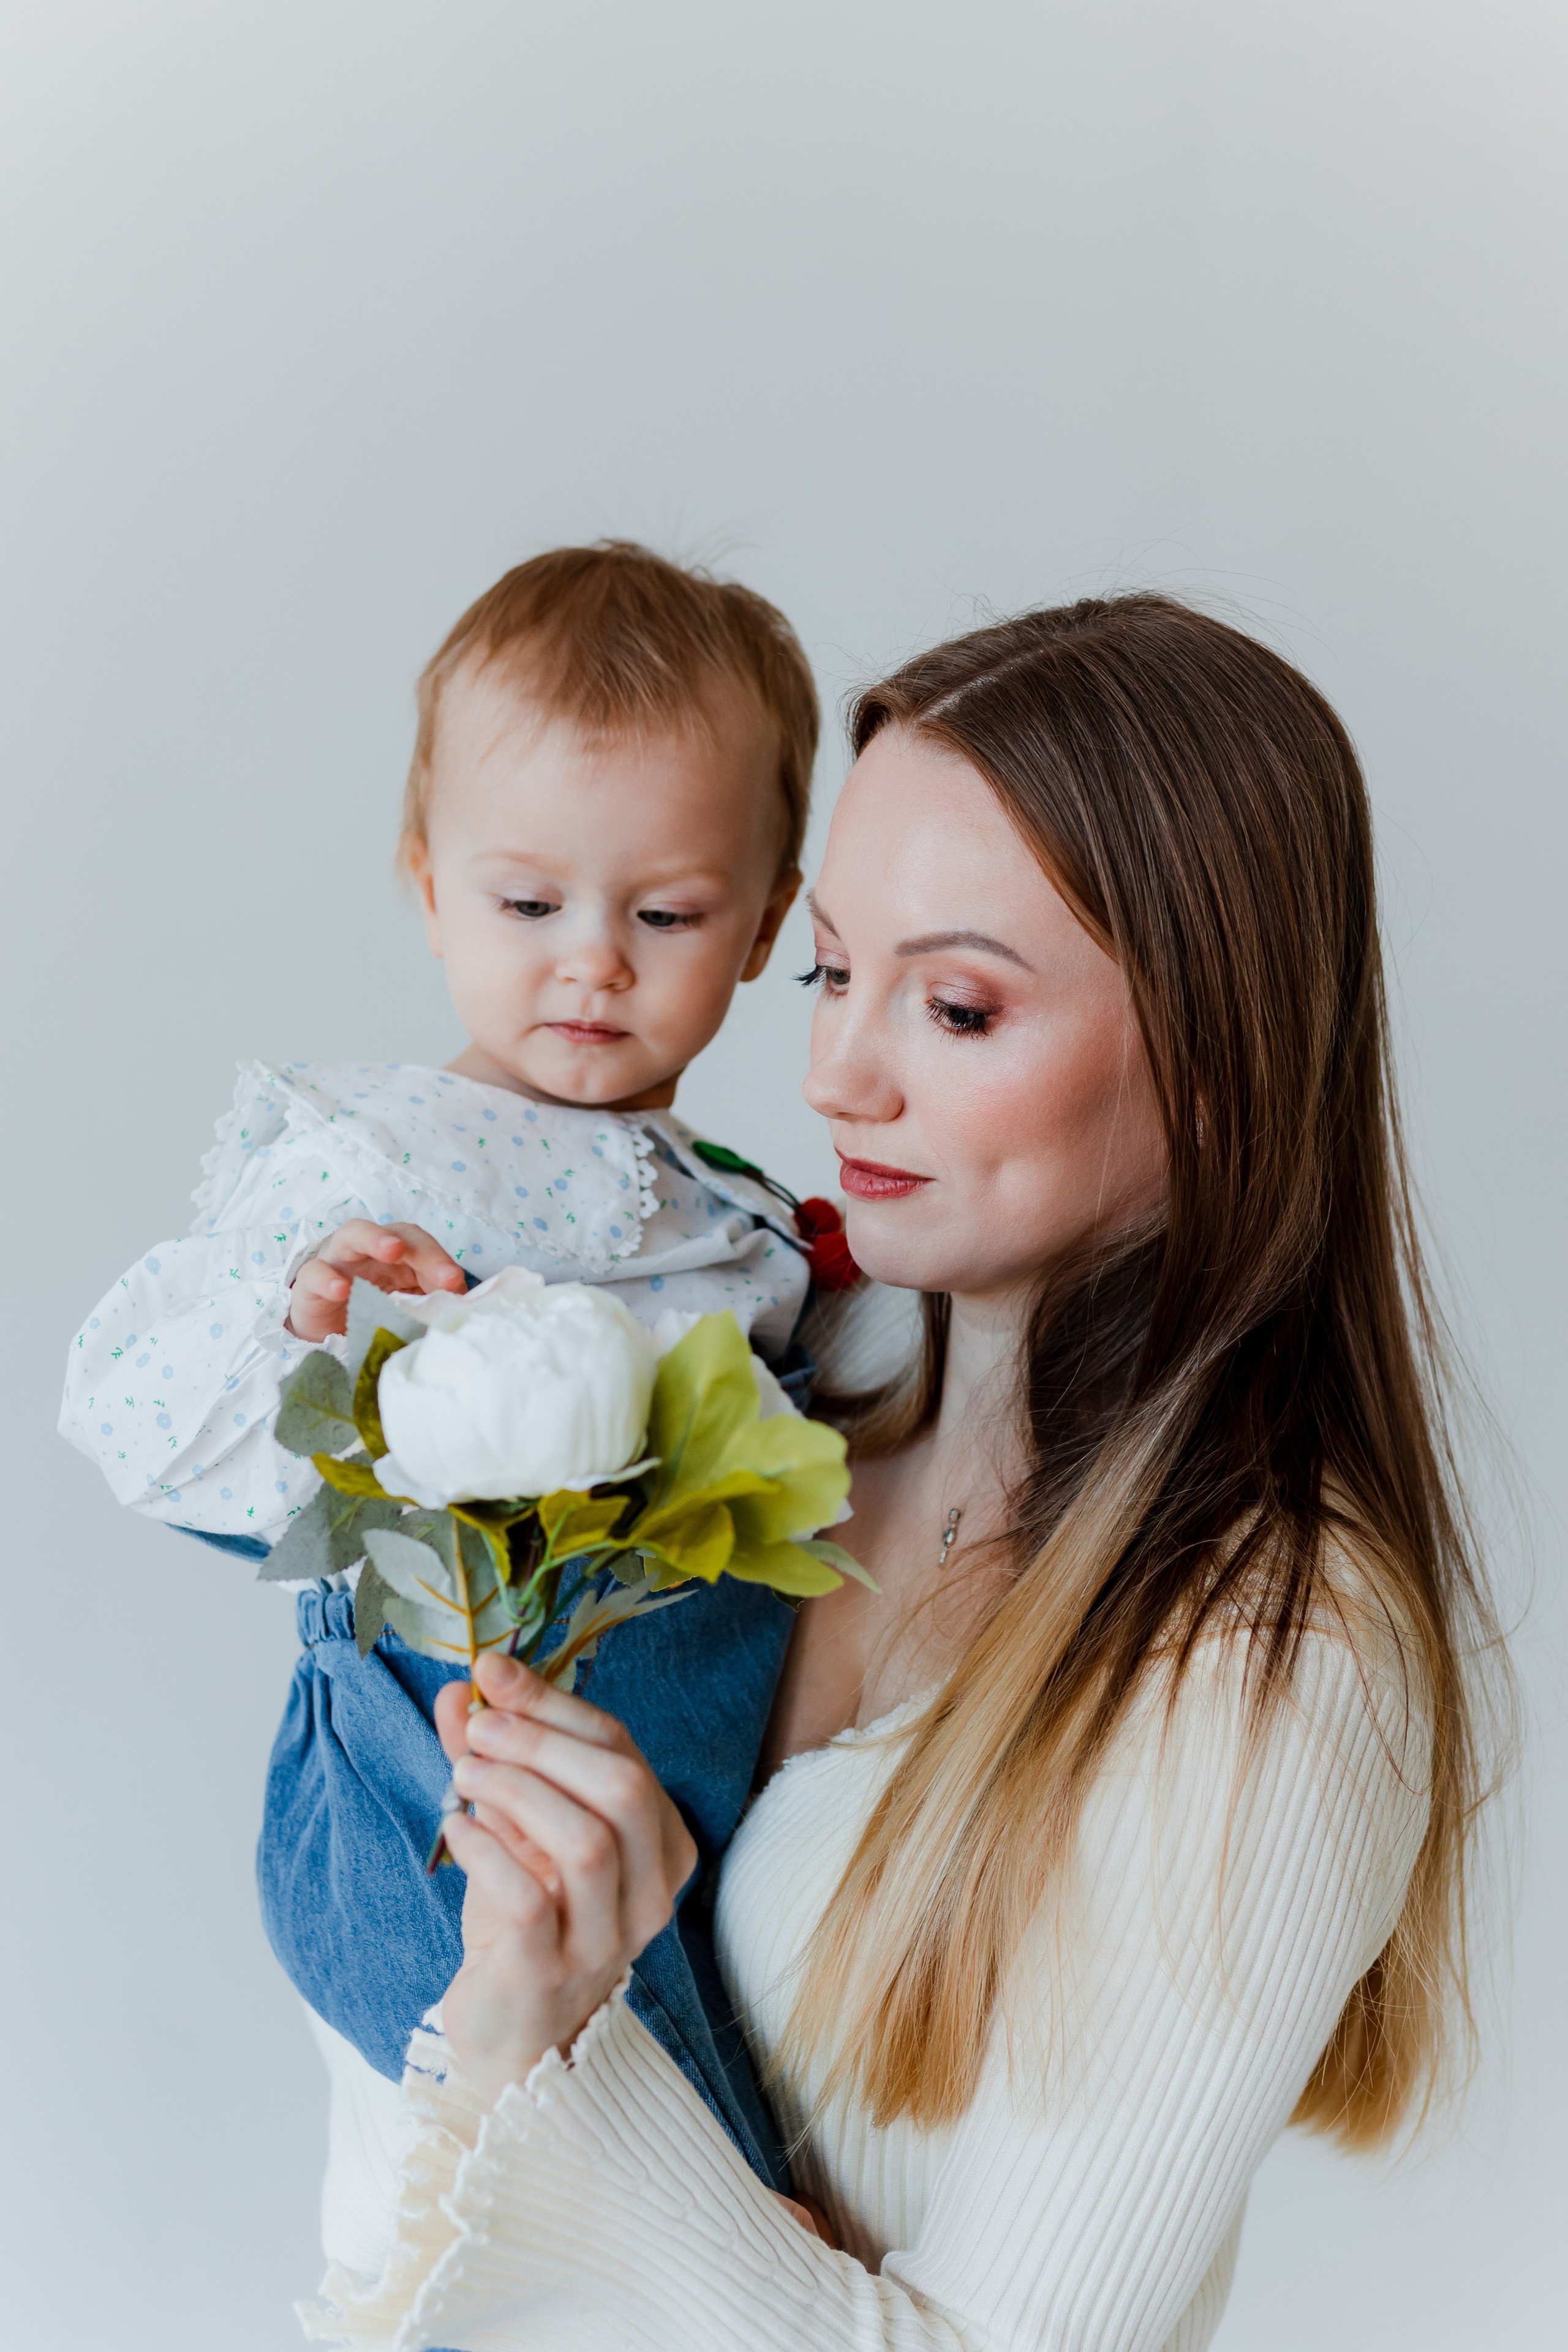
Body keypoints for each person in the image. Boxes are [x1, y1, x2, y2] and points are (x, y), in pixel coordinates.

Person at [303, 594, 1504, 2352]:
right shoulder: (778, 1378)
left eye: (952, 1006)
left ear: (1219, 1049)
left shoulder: (1275, 1669)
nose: (831, 1072)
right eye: (829, 970)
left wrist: (574, 2052)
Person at [58, 541, 857, 2206]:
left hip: (669, 1818)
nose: (594, 962)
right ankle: (741, 2223)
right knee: (602, 2165)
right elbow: (136, 1421)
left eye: (667, 913)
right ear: (427, 886)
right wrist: (297, 1310)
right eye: (527, 903)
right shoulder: (380, 1166)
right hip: (421, 1795)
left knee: (629, 2103)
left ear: (770, 921)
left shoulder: (734, 1220)